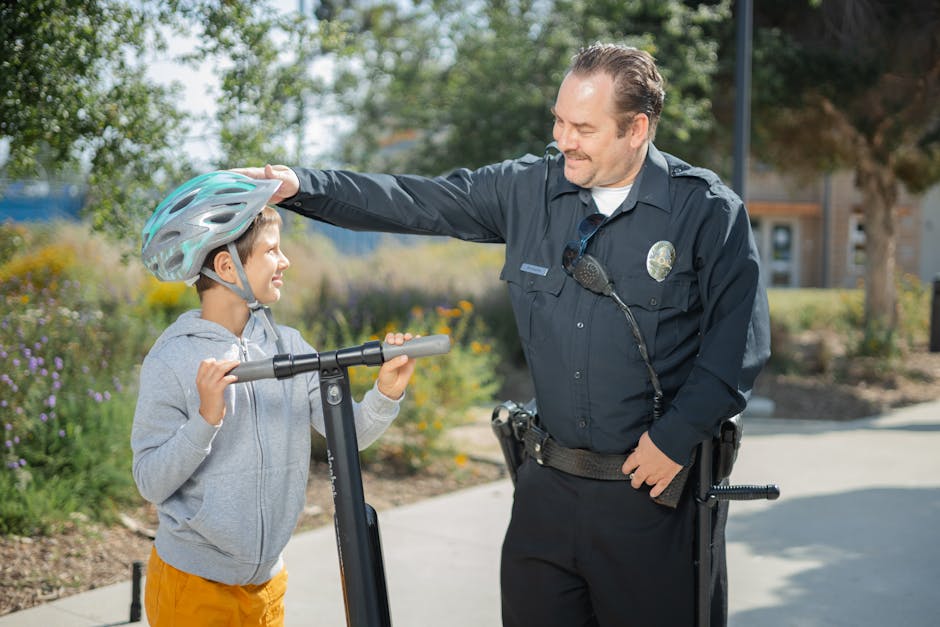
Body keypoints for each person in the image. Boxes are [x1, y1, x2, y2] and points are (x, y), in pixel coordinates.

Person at [235, 42, 771, 626]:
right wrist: (300, 185)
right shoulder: (527, 190)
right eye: (559, 121)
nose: (564, 139)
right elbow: (417, 201)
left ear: (636, 128)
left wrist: (675, 437)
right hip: (545, 496)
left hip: (650, 498)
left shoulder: (706, 211)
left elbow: (737, 344)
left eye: (584, 128)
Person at [131, 170, 418, 626]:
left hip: (267, 585)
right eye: (271, 251)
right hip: (194, 585)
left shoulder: (288, 346)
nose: (284, 262)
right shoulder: (174, 358)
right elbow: (150, 480)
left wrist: (385, 392)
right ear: (227, 268)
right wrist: (205, 420)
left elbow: (348, 436)